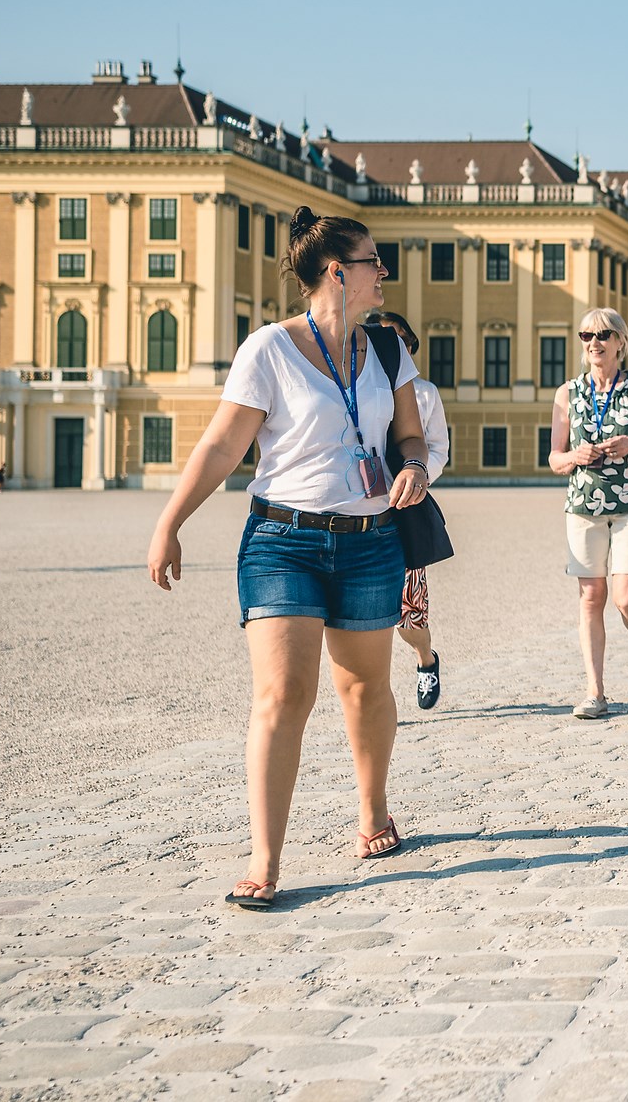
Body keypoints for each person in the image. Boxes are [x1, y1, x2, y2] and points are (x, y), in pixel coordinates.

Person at [146, 207, 430, 911]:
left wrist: (416, 468)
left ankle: (373, 810)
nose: (383, 271)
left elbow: (412, 435)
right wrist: (170, 521)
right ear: (338, 272)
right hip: (284, 541)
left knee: (365, 689)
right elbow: (221, 445)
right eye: (373, 261)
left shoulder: (389, 351)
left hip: (370, 542)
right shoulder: (268, 350)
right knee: (283, 694)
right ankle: (265, 858)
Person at [547, 307, 628, 719]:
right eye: (586, 336)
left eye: (603, 335)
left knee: (625, 598)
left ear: (620, 341)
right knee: (590, 598)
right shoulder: (568, 393)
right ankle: (595, 692)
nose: (594, 343)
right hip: (584, 506)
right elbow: (553, 458)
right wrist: (574, 456)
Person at [367, 311, 452, 711]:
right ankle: (374, 695)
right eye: (380, 338)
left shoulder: (424, 393)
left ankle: (426, 659)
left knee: (409, 615)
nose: (389, 347)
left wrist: (416, 477)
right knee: (362, 609)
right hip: (358, 507)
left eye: (398, 340)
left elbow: (437, 448)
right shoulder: (349, 386)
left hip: (403, 507)